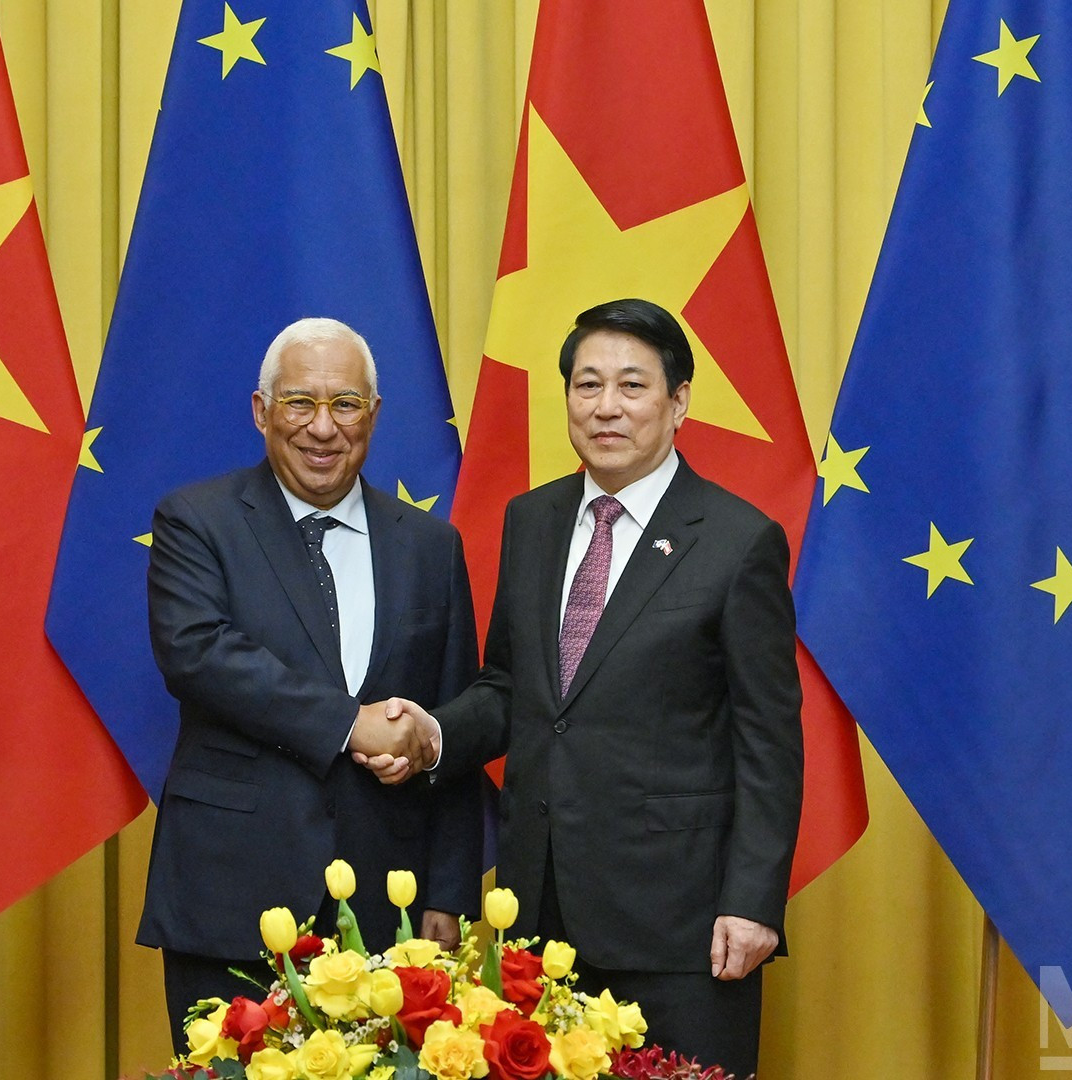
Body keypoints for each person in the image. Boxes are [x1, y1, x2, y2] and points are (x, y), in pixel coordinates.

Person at [364, 299, 803, 1074]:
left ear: (678, 403)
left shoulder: (738, 542)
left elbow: (768, 737)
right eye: (586, 384)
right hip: (542, 912)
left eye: (632, 386)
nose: (606, 407)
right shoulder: (532, 520)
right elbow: (512, 689)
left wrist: (753, 900)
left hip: (683, 921)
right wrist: (432, 733)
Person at [139, 317, 482, 1047]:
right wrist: (348, 724)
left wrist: (448, 894)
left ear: (375, 414)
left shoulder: (430, 546)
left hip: (388, 910)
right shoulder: (198, 521)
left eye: (345, 405)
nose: (322, 428)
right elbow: (198, 654)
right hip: (233, 897)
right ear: (262, 412)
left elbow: (451, 723)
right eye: (299, 403)